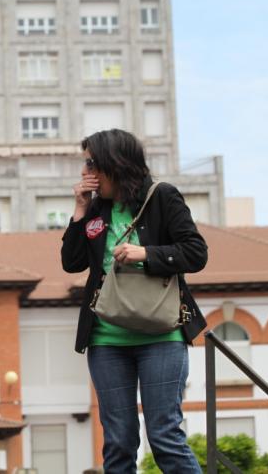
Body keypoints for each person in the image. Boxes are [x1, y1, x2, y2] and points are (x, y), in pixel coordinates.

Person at [61, 129, 207, 473]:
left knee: (165, 436)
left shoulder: (162, 197)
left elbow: (196, 253)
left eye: (92, 163)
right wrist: (80, 210)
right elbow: (72, 262)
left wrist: (146, 254)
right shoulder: (96, 210)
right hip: (106, 339)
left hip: (162, 335)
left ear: (116, 163)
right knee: (118, 441)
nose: (86, 171)